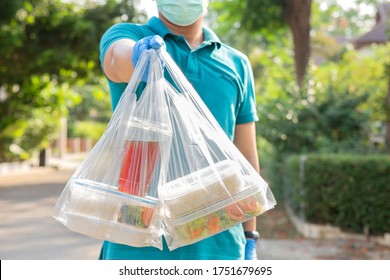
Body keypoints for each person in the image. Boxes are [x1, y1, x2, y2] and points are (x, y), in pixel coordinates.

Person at [99, 0, 260, 260]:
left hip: (219, 241)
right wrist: (140, 54)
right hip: (138, 242)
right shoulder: (131, 36)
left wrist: (250, 234)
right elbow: (118, 59)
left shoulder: (236, 63)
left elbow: (246, 156)